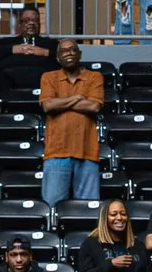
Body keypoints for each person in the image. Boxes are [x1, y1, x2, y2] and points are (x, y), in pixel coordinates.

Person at [34, 38, 106, 203]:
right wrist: (78, 98)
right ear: (58, 58)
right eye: (64, 51)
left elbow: (94, 107)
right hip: (56, 152)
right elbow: (48, 106)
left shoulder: (94, 76)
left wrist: (62, 102)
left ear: (79, 54)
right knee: (53, 206)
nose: (69, 53)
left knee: (88, 208)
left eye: (73, 49)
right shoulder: (49, 77)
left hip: (87, 152)